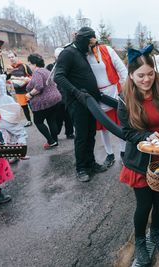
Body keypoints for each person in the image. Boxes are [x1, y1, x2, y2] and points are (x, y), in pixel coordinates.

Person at [118, 44, 159, 266]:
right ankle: (141, 241)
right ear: (131, 75)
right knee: (144, 205)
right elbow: (128, 132)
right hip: (139, 162)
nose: (146, 79)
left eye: (150, 74)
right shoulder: (124, 99)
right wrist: (148, 136)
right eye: (140, 75)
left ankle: (156, 232)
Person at [54, 27, 107, 182]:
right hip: (77, 102)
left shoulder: (81, 53)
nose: (91, 48)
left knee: (91, 133)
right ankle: (81, 168)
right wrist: (76, 92)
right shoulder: (68, 53)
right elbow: (58, 77)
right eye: (90, 44)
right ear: (84, 40)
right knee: (82, 136)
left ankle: (91, 163)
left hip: (89, 101)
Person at [88, 38, 127, 167]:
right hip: (96, 95)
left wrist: (124, 90)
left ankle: (123, 152)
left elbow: (122, 70)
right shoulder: (81, 54)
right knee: (103, 128)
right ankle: (109, 154)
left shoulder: (106, 50)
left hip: (114, 91)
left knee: (121, 124)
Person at [0, 74, 28, 163]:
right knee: (20, 134)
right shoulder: (7, 98)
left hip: (1, 123)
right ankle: (22, 153)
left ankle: (11, 156)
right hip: (11, 121)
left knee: (7, 138)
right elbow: (15, 109)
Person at [26, 53, 61, 150]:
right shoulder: (46, 71)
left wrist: (30, 94)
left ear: (34, 64)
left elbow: (38, 87)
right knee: (51, 120)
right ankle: (55, 141)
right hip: (55, 100)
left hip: (44, 102)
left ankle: (51, 141)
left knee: (38, 121)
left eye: (29, 64)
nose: (29, 66)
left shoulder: (37, 72)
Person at [47, 47, 75, 140]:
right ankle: (56, 133)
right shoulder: (50, 67)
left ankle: (69, 133)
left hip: (66, 93)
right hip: (56, 95)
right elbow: (48, 80)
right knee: (57, 116)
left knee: (68, 116)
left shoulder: (68, 66)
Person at [7, 51, 33, 127]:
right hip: (18, 91)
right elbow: (7, 79)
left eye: (12, 57)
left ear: (16, 57)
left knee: (32, 105)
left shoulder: (24, 66)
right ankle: (29, 121)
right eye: (9, 57)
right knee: (24, 107)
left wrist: (25, 80)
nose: (11, 59)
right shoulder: (9, 68)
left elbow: (32, 76)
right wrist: (9, 79)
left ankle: (39, 119)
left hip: (27, 90)